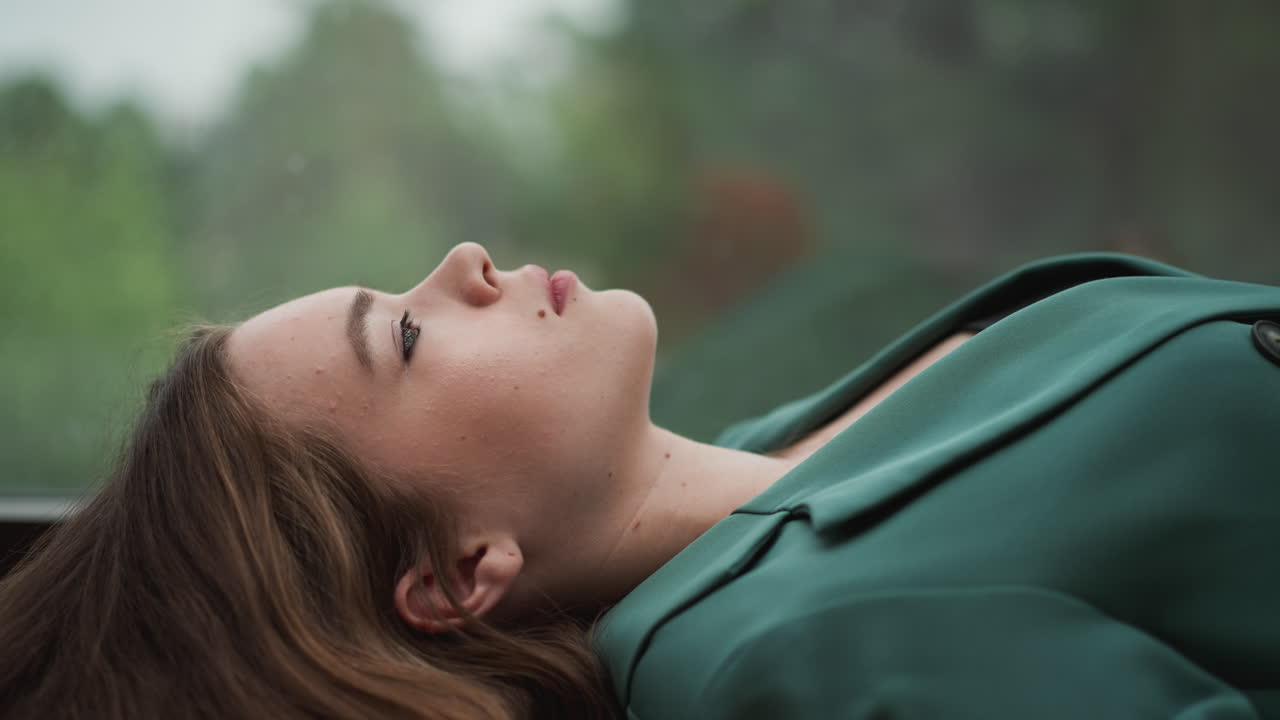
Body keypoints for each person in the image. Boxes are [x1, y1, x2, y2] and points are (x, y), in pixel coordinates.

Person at [1, 243, 1277, 719]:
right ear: (455, 574)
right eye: (401, 335)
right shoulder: (772, 658)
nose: (460, 261)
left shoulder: (775, 433)